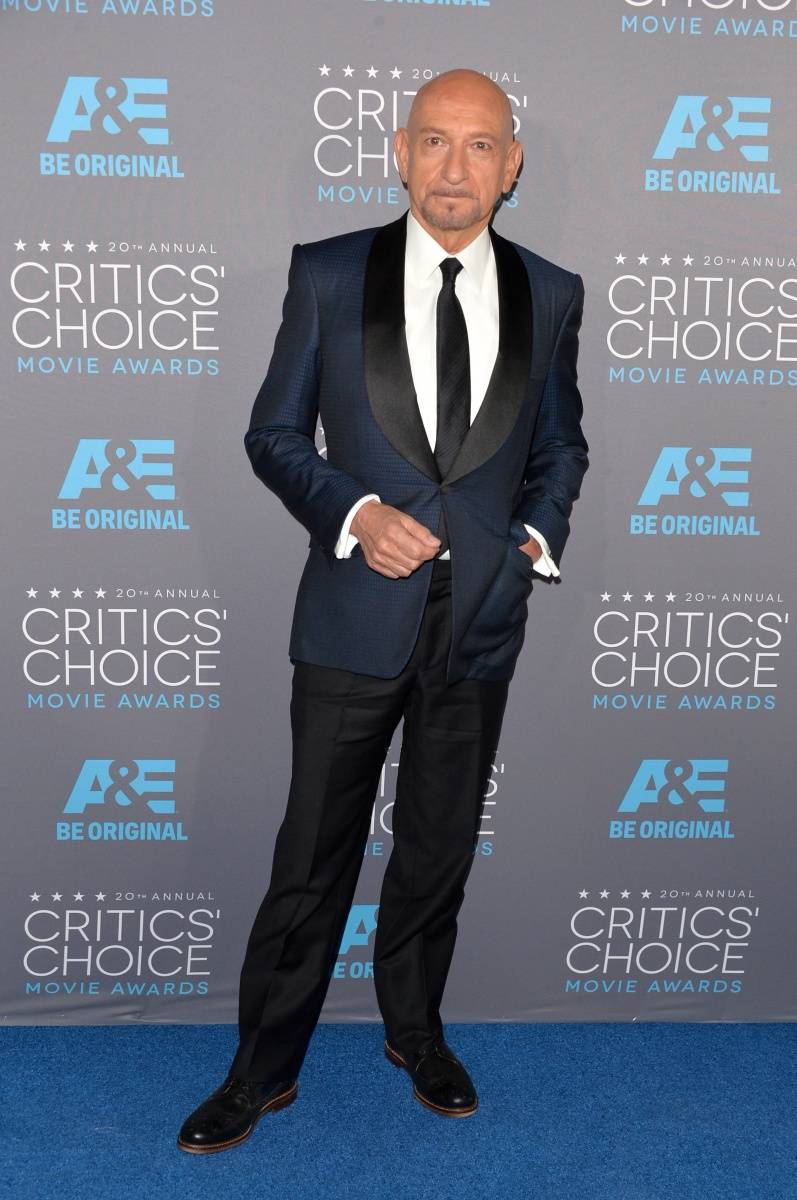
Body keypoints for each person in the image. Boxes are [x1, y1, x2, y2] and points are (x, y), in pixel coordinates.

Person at [177, 68, 588, 1154]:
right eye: (434, 142)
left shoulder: (551, 291)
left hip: (481, 620)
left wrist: (532, 539)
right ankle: (260, 1072)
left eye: (480, 145)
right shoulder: (326, 273)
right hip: (354, 615)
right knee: (312, 856)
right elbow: (273, 434)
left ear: (510, 165)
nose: (455, 167)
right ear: (400, 154)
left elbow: (559, 444)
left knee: (438, 847)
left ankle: (417, 1033)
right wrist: (354, 513)